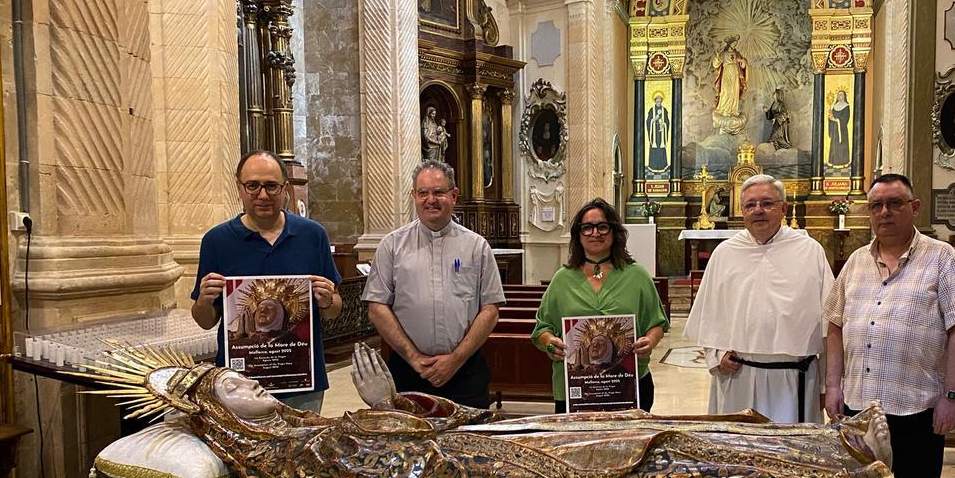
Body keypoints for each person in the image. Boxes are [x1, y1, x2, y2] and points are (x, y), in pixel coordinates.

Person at [82, 341, 907, 478]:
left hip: (485, 447)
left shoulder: (300, 435)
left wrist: (399, 410)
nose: (250, 383)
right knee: (662, 453)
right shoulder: (287, 465)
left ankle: (830, 440)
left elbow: (405, 448)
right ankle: (836, 474)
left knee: (630, 429)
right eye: (230, 387)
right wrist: (390, 420)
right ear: (222, 423)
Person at [823, 173, 955, 478]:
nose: (885, 212)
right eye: (876, 206)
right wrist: (834, 386)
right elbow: (835, 326)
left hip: (915, 411)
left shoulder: (942, 258)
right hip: (858, 411)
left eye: (894, 203)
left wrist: (952, 397)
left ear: (914, 208)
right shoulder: (855, 262)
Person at [191, 150, 343, 414]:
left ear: (284, 188)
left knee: (300, 451)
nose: (262, 195)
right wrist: (204, 299)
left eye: (271, 186)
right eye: (253, 186)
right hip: (239, 387)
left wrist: (329, 299)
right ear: (240, 188)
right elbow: (205, 320)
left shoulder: (312, 235)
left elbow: (333, 311)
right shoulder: (217, 241)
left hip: (301, 379)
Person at [686, 174, 834, 424]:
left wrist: (825, 386)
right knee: (739, 454)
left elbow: (829, 325)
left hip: (794, 378)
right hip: (738, 376)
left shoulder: (809, 251)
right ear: (742, 210)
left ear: (783, 208)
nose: (758, 211)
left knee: (790, 456)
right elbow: (709, 314)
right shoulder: (725, 253)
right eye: (750, 205)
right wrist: (716, 355)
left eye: (767, 203)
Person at [362, 159, 505, 409]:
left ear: (454, 195)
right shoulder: (392, 246)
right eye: (423, 193)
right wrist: (414, 358)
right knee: (411, 447)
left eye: (439, 192)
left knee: (467, 444)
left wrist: (456, 359)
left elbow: (490, 309)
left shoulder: (476, 247)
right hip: (408, 371)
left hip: (466, 372)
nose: (431, 200)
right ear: (414, 196)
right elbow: (377, 307)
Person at [533, 199, 669, 412]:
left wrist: (649, 341)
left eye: (602, 226)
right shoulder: (562, 279)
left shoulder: (637, 275)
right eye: (587, 227)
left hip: (629, 385)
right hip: (576, 389)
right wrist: (551, 344)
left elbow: (657, 323)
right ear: (578, 234)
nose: (595, 233)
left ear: (614, 232)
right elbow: (542, 329)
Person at [646, 92, 670, 172]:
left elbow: (667, 121)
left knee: (661, 149)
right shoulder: (651, 110)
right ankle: (653, 166)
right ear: (655, 100)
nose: (658, 101)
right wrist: (655, 119)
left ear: (661, 100)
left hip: (661, 134)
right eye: (657, 99)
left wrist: (664, 125)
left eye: (660, 99)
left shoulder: (665, 110)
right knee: (654, 149)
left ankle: (662, 166)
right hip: (654, 135)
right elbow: (648, 121)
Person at [827, 90, 851, 166]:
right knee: (834, 145)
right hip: (835, 129)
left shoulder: (846, 106)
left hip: (842, 130)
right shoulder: (835, 106)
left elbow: (845, 118)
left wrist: (836, 120)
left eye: (841, 95)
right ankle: (833, 161)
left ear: (844, 96)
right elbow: (832, 117)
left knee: (842, 145)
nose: (839, 97)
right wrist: (830, 116)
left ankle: (844, 162)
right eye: (838, 95)